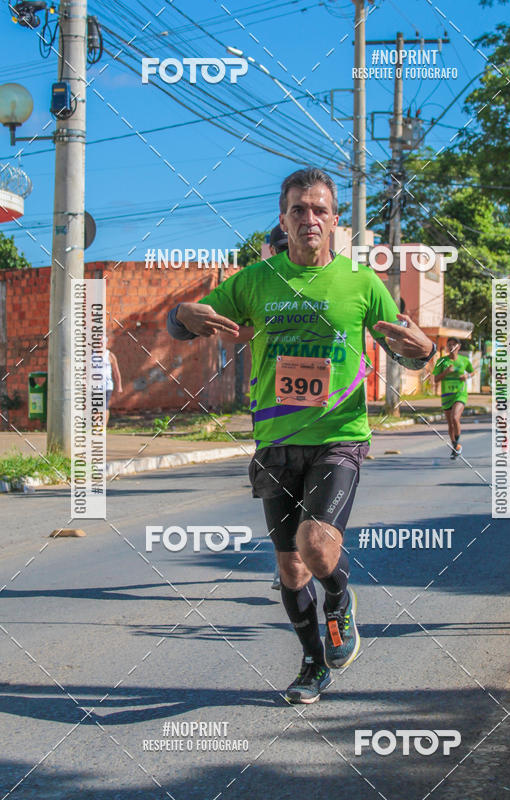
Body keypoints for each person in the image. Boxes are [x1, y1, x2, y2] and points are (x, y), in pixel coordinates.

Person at [167, 167, 435, 704]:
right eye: (297, 209)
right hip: (275, 441)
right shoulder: (257, 280)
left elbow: (413, 346)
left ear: (335, 220)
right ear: (283, 218)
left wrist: (422, 349)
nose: (308, 218)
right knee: (289, 566)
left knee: (315, 546)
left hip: (339, 434)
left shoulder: (361, 283)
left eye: (318, 209)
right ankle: (313, 663)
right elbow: (189, 324)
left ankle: (338, 595)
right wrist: (180, 315)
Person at [267, 223, 288, 591]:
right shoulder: (262, 284)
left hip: (323, 423)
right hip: (272, 422)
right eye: (280, 248)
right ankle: (283, 560)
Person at [432, 337, 474, 459]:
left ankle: (457, 444)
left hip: (460, 394)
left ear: (459, 347)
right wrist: (445, 372)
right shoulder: (441, 361)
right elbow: (436, 379)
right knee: (450, 424)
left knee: (455, 417)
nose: (451, 347)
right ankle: (455, 446)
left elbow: (472, 372)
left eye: (454, 345)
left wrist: (467, 376)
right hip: (446, 395)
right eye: (449, 345)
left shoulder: (464, 360)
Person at [104, 340, 122, 426]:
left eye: (101, 342)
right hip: (94, 385)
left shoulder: (110, 355)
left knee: (104, 406)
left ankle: (102, 427)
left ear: (105, 343)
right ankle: (96, 427)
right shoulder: (91, 355)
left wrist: (119, 386)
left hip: (107, 385)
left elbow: (116, 372)